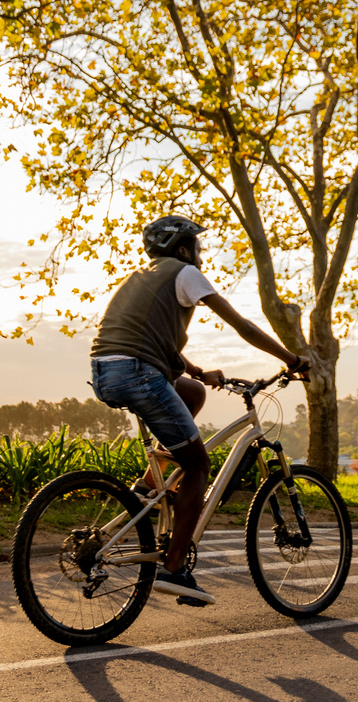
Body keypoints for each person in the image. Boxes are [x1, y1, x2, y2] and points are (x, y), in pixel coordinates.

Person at [89, 215, 310, 606]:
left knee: (191, 391)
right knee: (198, 465)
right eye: (197, 246)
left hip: (109, 370)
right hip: (139, 372)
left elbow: (147, 337)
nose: (201, 253)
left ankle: (150, 485)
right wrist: (291, 358)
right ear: (182, 249)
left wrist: (195, 371)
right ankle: (175, 569)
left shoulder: (141, 277)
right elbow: (241, 325)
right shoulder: (185, 272)